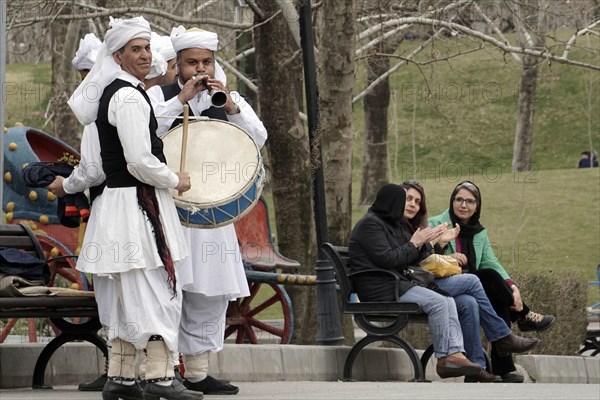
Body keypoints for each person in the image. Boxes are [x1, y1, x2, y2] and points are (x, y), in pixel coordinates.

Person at [66, 16, 202, 400]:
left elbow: (143, 128)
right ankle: (160, 379)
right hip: (135, 207)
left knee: (128, 295)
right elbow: (139, 160)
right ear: (118, 56)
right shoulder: (126, 96)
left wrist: (179, 100)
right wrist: (176, 179)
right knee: (155, 292)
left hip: (122, 206)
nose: (144, 55)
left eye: (146, 48)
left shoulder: (123, 93)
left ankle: (121, 378)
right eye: (135, 50)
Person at [147, 26, 267, 396]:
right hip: (172, 212)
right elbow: (145, 133)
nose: (199, 68)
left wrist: (230, 105)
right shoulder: (157, 95)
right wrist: (180, 100)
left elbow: (258, 138)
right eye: (191, 62)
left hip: (214, 215)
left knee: (210, 292)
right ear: (178, 65)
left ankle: (197, 371)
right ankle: (164, 370)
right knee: (172, 291)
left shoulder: (227, 97)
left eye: (206, 61)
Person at [401, 180, 539, 383]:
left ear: (477, 206)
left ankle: (478, 368)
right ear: (451, 201)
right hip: (436, 282)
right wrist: (443, 246)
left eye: (469, 201)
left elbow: (492, 261)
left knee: (477, 295)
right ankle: (509, 330)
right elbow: (423, 258)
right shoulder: (436, 224)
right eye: (459, 199)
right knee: (481, 280)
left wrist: (512, 286)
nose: (463, 205)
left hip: (458, 287)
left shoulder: (480, 232)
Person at [348, 184, 484, 379]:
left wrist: (433, 242)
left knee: (447, 300)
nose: (408, 206)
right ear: (392, 203)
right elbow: (388, 259)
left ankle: (453, 355)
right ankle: (446, 359)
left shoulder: (392, 225)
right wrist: (415, 242)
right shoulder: (370, 225)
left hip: (397, 284)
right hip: (382, 288)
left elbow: (414, 258)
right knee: (438, 302)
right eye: (403, 201)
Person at [47, 31, 109, 393]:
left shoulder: (97, 114)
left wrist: (65, 185)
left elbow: (92, 170)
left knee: (110, 289)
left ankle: (120, 368)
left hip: (108, 209)